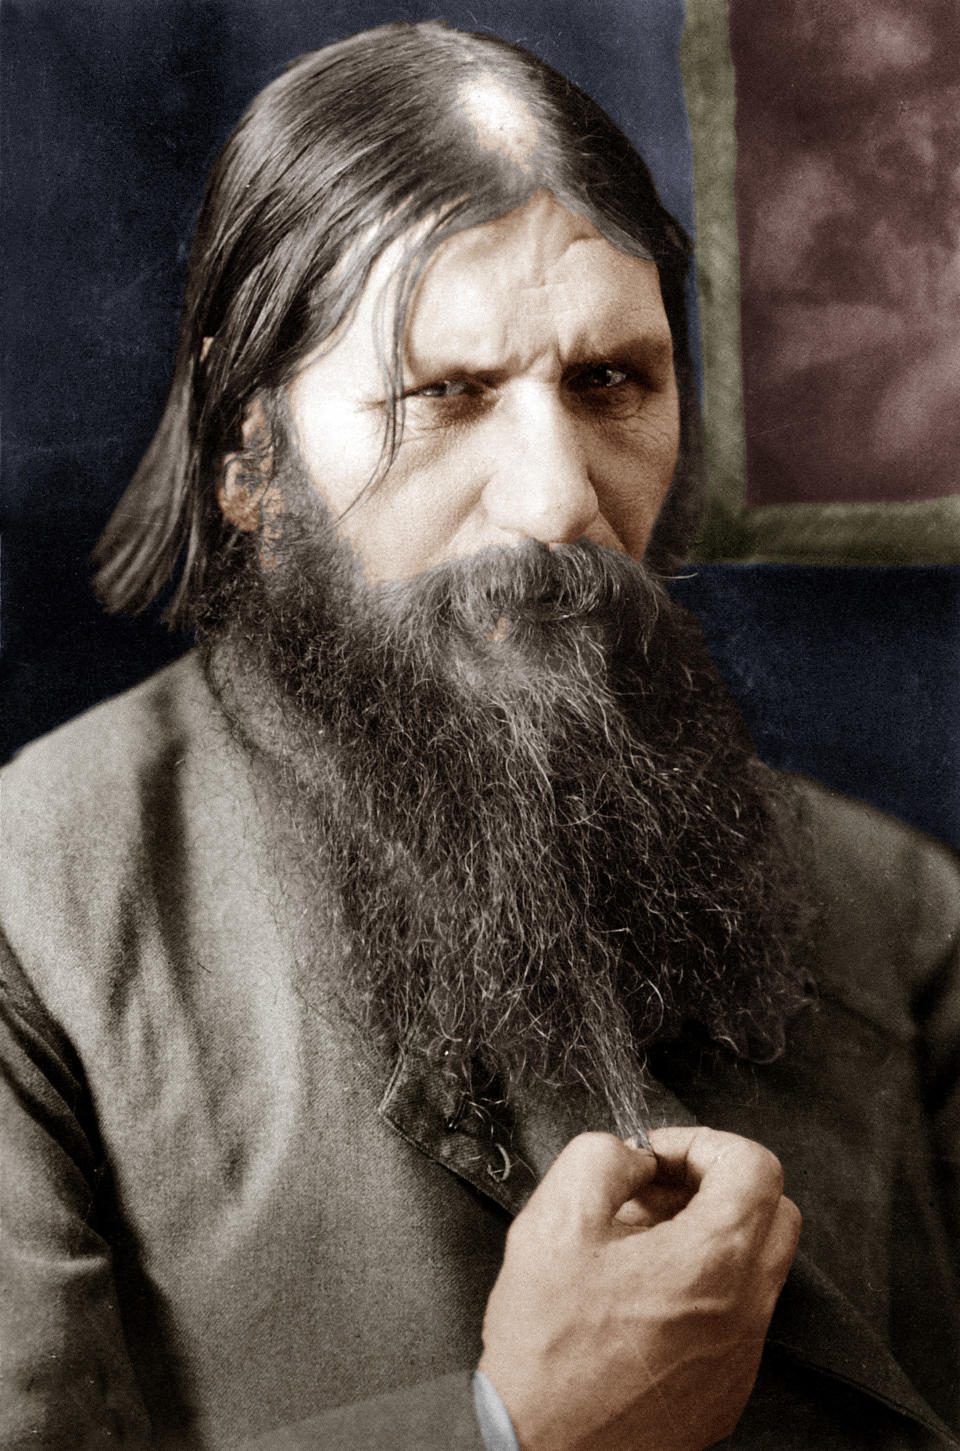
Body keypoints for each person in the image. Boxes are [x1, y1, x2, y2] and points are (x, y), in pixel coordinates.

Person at [1, 20, 957, 1451]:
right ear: (250, 455)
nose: (558, 501)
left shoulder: (897, 911)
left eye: (611, 384)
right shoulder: (37, 908)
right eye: (446, 396)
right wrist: (516, 1431)